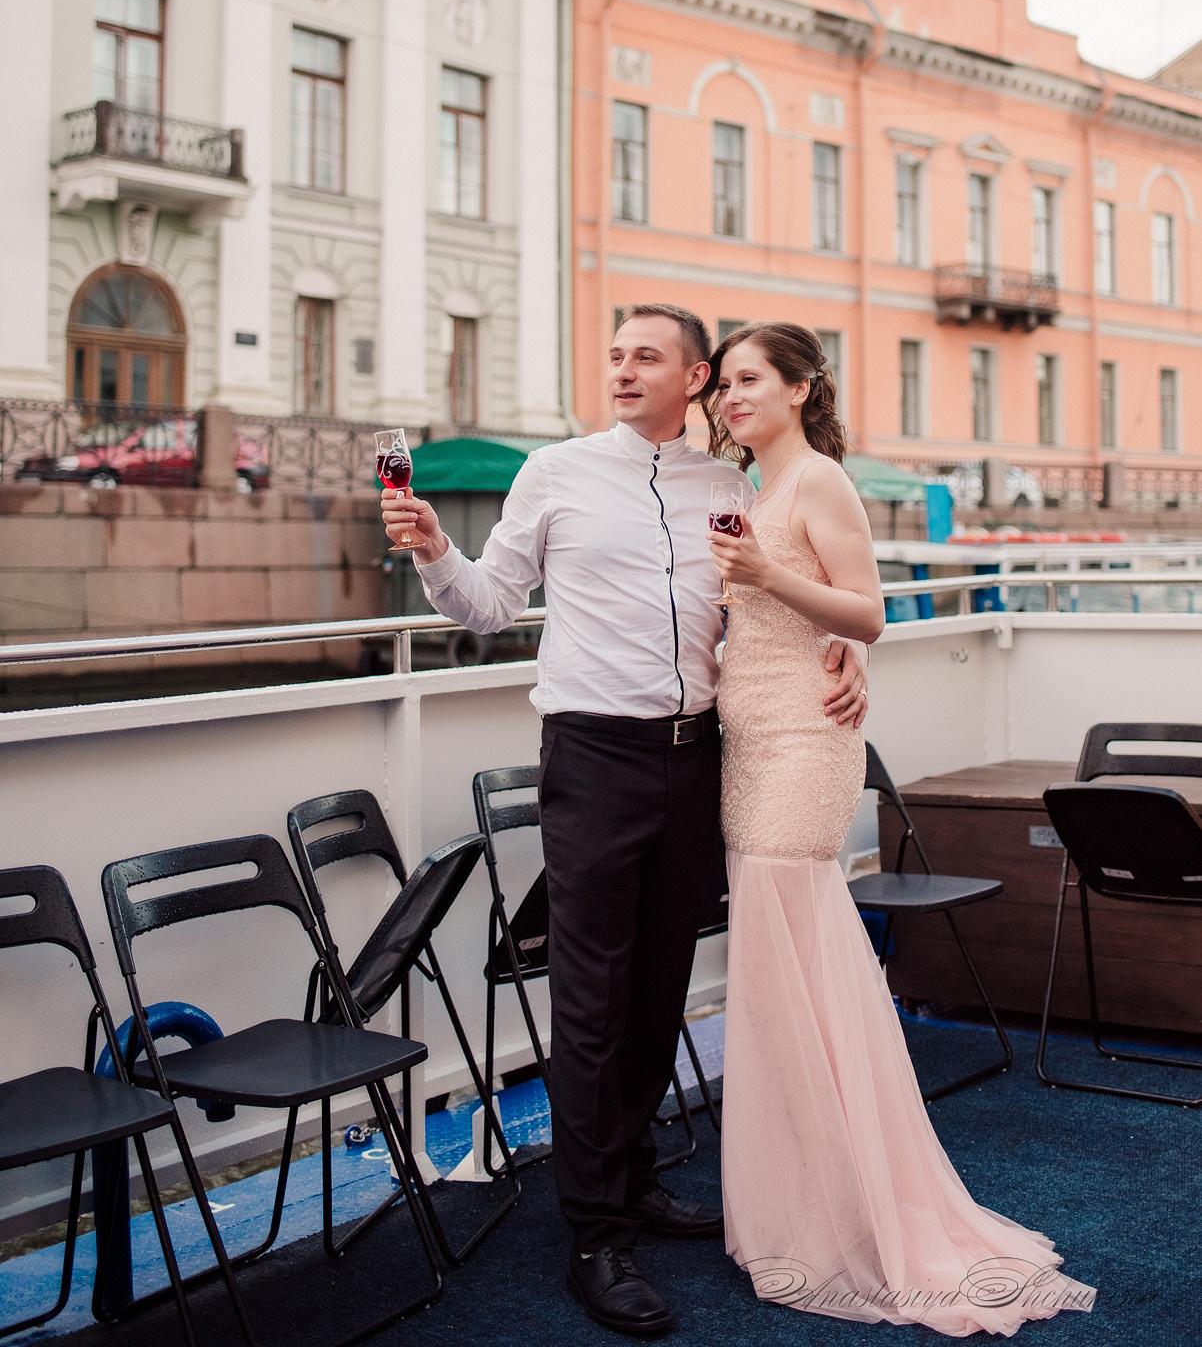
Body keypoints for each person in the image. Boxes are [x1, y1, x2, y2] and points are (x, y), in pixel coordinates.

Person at [381, 304, 868, 1337]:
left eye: (644, 356)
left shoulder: (730, 487)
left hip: (700, 758)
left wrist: (847, 650)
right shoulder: (552, 473)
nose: (620, 370)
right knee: (593, 998)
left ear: (695, 377)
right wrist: (433, 551)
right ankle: (593, 1232)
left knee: (660, 988)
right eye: (612, 355)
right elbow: (487, 604)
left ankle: (637, 1173)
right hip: (592, 759)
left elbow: (781, 605)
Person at [704, 322, 1095, 1336]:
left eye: (747, 379)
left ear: (797, 388)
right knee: (773, 972)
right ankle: (796, 1193)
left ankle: (851, 1208)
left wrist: (764, 581)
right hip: (745, 747)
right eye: (723, 383)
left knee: (801, 962)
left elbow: (865, 614)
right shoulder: (746, 492)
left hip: (802, 748)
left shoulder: (819, 482)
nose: (729, 396)